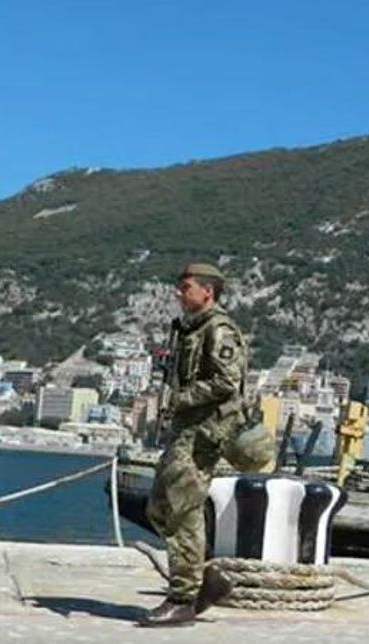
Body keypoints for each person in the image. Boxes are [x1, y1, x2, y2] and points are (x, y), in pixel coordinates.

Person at [140, 261, 249, 627]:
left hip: (202, 434)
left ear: (208, 291)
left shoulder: (218, 331)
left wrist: (180, 399)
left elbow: (227, 381)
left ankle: (183, 599)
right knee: (158, 508)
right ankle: (206, 577)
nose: (178, 292)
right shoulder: (190, 329)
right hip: (185, 431)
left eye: (186, 286)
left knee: (182, 510)